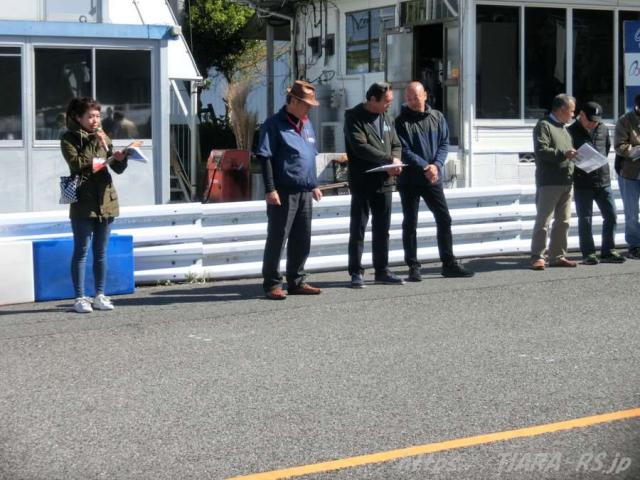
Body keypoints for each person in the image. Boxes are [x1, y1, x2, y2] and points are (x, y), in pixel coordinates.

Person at [395, 82, 474, 281]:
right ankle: (413, 266)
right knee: (410, 222)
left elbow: (444, 144)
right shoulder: (400, 121)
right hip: (410, 179)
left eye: (416, 97)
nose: (412, 101)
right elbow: (404, 150)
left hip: (432, 177)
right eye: (409, 98)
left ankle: (449, 263)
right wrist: (425, 167)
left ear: (425, 95)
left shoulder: (437, 117)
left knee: (444, 218)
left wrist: (436, 166)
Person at [255, 80, 323, 300]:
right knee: (278, 237)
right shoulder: (273, 124)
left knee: (302, 238)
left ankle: (297, 280)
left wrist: (314, 184)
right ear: (293, 101)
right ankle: (273, 284)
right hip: (283, 191)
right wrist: (270, 189)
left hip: (304, 190)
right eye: (306, 104)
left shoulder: (307, 124)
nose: (309, 109)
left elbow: (310, 155)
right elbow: (265, 157)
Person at [60, 97, 128, 313]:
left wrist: (121, 158)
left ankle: (100, 294)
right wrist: (95, 144)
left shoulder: (103, 135)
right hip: (83, 200)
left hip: (106, 199)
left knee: (101, 251)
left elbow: (116, 169)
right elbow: (77, 164)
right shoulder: (69, 138)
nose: (95, 120)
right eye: (90, 116)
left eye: (98, 116)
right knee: (81, 250)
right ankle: (80, 297)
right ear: (78, 117)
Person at [344, 82, 404, 288]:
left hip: (385, 180)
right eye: (386, 101)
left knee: (382, 228)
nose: (389, 105)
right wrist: (388, 160)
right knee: (358, 227)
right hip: (363, 181)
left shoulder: (387, 117)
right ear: (372, 100)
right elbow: (360, 147)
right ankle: (356, 271)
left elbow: (396, 143)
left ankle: (382, 270)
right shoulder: (353, 117)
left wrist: (395, 160)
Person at [568, 101, 625, 265]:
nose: (594, 124)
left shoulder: (603, 128)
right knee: (585, 219)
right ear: (581, 115)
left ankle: (608, 251)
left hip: (603, 180)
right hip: (582, 182)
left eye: (597, 121)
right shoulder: (570, 131)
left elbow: (606, 148)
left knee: (611, 216)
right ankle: (589, 254)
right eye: (591, 120)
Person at [530, 94, 578, 270]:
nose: (573, 115)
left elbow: (567, 153)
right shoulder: (544, 125)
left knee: (563, 221)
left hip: (566, 180)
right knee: (544, 221)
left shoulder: (564, 129)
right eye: (571, 111)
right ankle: (538, 256)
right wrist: (564, 154)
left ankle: (558, 256)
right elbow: (541, 150)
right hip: (549, 181)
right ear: (562, 109)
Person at [614, 93, 640, 260]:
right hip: (630, 173)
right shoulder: (625, 120)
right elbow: (620, 146)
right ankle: (635, 245)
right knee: (631, 212)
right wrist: (637, 150)